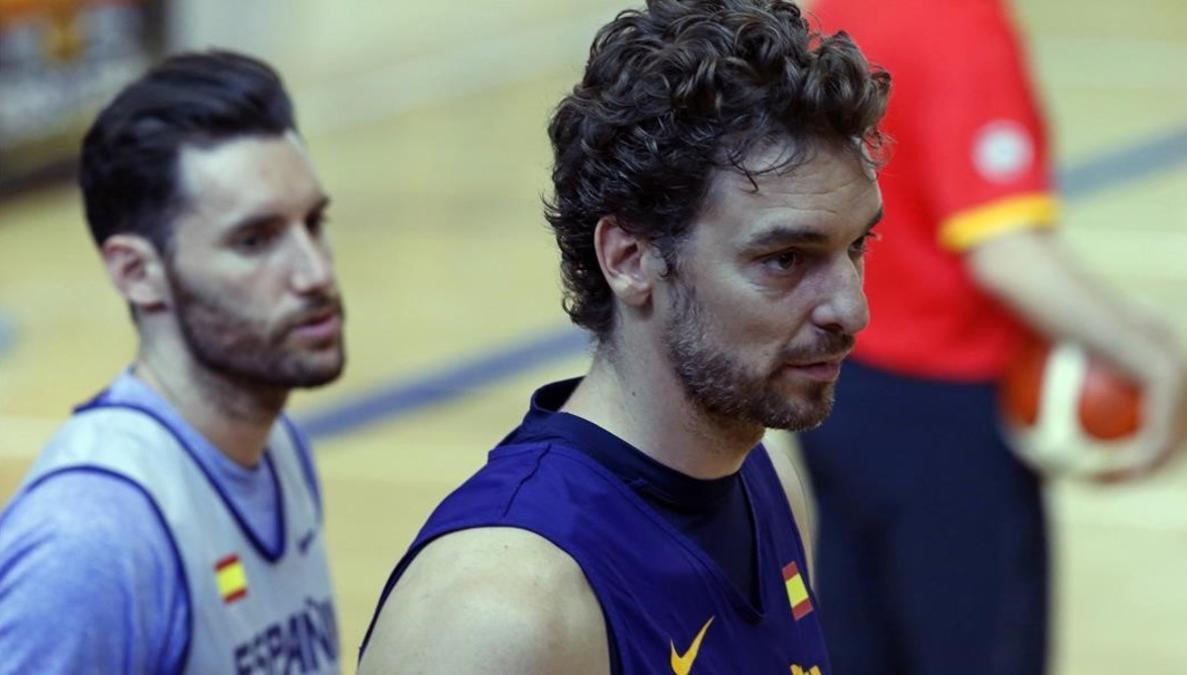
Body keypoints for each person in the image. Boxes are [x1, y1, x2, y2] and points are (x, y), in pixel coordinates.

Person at [357, 1, 890, 673]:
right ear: (631, 258)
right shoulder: (498, 610)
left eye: (857, 245)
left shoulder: (770, 477)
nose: (852, 306)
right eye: (784, 259)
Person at [795, 1, 1187, 674]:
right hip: (945, 416)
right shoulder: (958, 25)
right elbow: (1005, 252)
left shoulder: (832, 8)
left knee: (860, 647)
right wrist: (1153, 356)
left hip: (837, 385)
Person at [0, 50, 346, 674]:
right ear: (138, 273)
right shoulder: (92, 538)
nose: (315, 273)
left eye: (313, 223)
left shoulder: (279, 450)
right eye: (255, 240)